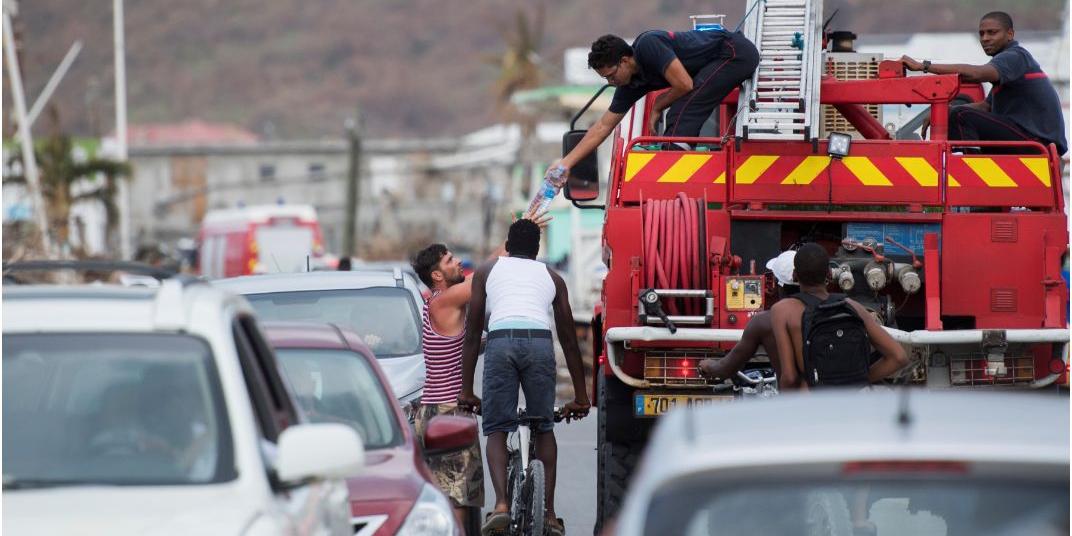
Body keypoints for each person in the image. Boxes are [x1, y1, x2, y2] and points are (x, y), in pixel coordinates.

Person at [409, 211, 550, 530]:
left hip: (436, 411)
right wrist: (515, 241)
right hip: (448, 414)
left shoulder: (441, 306)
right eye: (450, 261)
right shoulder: (444, 302)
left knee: (452, 498)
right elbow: (484, 276)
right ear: (437, 276)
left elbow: (475, 340)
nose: (458, 263)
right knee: (457, 501)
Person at [457, 219, 591, 536]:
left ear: (508, 243)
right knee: (544, 427)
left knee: (497, 428)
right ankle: (550, 515)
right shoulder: (553, 277)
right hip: (540, 344)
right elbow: (570, 341)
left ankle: (501, 504)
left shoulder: (489, 271)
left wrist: (466, 390)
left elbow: (474, 331)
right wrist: (581, 396)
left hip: (501, 341)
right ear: (537, 249)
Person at [549, 28, 760, 178]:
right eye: (606, 79)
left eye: (611, 76)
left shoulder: (649, 45)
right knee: (681, 107)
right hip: (720, 63)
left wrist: (658, 104)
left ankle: (675, 174)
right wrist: (566, 163)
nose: (611, 82)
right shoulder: (630, 85)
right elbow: (603, 127)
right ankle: (673, 164)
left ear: (624, 60)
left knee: (680, 111)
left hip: (734, 53)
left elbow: (684, 84)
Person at [900, 11, 1067, 156]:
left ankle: (972, 169)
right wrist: (943, 111)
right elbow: (987, 107)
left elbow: (976, 74)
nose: (985, 38)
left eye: (992, 33)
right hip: (1032, 140)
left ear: (1010, 34)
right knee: (956, 113)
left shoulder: (1014, 57)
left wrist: (924, 66)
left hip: (1038, 143)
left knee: (960, 116)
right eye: (982, 34)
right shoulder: (1006, 67)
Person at [770, 243, 909, 391]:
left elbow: (789, 377)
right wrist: (859, 380)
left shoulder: (782, 311)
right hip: (851, 403)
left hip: (811, 403)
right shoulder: (853, 306)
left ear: (794, 275)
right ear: (829, 273)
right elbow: (899, 357)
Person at [699, 250, 799, 381]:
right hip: (827, 398)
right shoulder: (827, 313)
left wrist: (708, 366)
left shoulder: (764, 322)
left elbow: (724, 369)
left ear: (777, 283)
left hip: (792, 399)